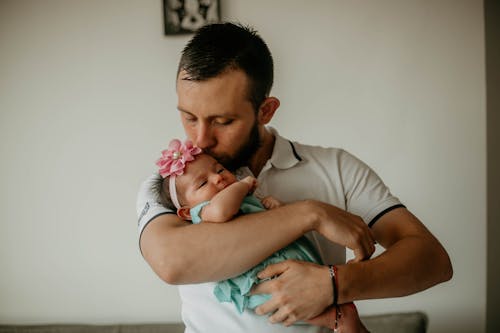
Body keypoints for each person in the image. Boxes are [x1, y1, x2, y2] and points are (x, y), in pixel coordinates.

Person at [137, 22, 453, 333]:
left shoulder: (337, 168)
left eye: (223, 120)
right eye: (190, 117)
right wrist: (310, 213)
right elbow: (172, 262)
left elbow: (431, 259)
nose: (201, 139)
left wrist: (334, 284)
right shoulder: (174, 184)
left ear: (266, 111)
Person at [151, 138, 369, 332]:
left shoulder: (243, 198)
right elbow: (222, 211)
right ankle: (336, 318)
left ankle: (339, 314)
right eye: (202, 183)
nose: (217, 179)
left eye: (218, 170)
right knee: (282, 302)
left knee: (306, 290)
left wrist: (277, 207)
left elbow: (278, 223)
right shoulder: (204, 211)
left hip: (290, 257)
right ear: (186, 212)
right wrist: (243, 185)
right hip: (263, 276)